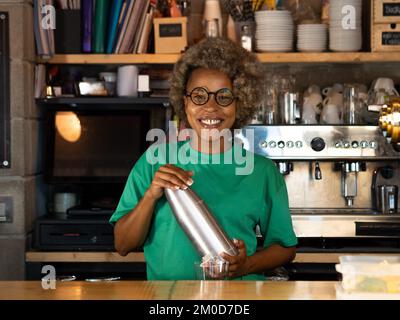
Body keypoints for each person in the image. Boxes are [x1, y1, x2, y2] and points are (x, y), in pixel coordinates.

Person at [110, 37, 297, 280]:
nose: (210, 107)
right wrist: (151, 195)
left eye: (224, 96)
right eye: (199, 96)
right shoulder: (155, 160)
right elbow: (122, 245)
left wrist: (247, 265)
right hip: (169, 300)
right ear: (184, 101)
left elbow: (285, 248)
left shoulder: (262, 172)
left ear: (240, 104)